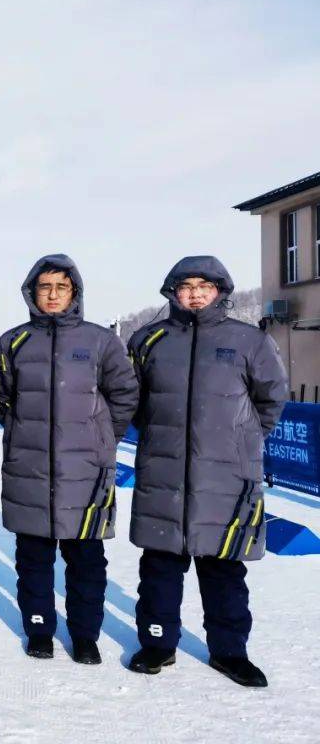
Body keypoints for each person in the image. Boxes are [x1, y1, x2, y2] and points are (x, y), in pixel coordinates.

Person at [126, 255, 288, 687]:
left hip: (227, 476)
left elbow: (271, 400)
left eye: (204, 285)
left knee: (224, 567)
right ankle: (158, 643)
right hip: (164, 471)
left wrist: (239, 438)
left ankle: (230, 651)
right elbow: (135, 403)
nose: (195, 292)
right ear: (172, 291)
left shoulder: (248, 340)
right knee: (160, 566)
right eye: (185, 285)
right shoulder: (149, 339)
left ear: (220, 290)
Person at [0, 254, 138, 663]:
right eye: (45, 287)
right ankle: (38, 629)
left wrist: (103, 437)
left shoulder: (100, 341)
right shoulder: (13, 341)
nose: (53, 295)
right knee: (33, 558)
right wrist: (22, 431)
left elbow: (124, 393)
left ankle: (85, 635)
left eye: (61, 287)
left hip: (85, 471)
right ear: (32, 292)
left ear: (74, 292)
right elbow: (1, 396)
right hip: (30, 467)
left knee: (86, 560)